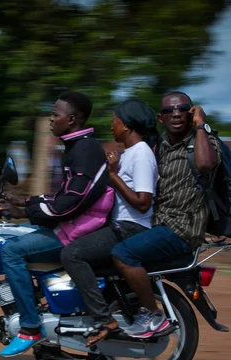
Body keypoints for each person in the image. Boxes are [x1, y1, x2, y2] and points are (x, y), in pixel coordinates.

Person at [0, 91, 115, 357]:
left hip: (80, 227)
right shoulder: (77, 146)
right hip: (74, 222)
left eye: (55, 114)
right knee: (16, 236)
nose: (51, 119)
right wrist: (25, 203)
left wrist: (26, 212)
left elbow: (70, 202)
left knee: (11, 250)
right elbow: (63, 195)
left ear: (71, 119)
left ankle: (30, 327)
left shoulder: (84, 149)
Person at [110, 91, 221, 339]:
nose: (177, 113)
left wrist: (201, 125)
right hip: (159, 225)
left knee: (123, 254)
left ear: (191, 112)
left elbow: (204, 164)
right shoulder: (161, 146)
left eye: (183, 108)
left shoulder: (204, 141)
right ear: (161, 118)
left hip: (182, 230)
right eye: (170, 111)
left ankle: (153, 315)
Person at [60, 99, 159, 346]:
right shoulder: (129, 153)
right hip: (120, 225)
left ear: (126, 126)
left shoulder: (143, 154)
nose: (111, 126)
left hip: (131, 228)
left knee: (71, 254)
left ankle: (104, 319)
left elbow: (144, 202)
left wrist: (113, 175)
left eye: (114, 121)